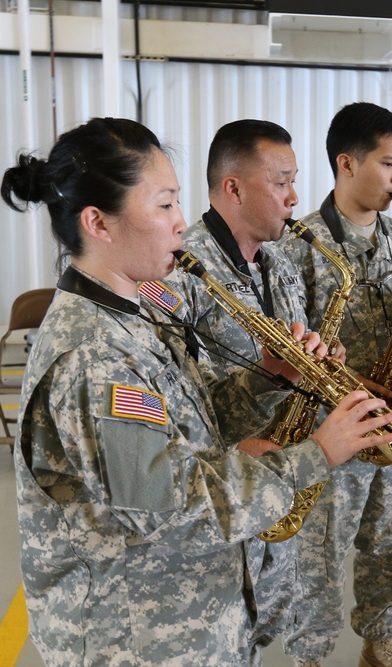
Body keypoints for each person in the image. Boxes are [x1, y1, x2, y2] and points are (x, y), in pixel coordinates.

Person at [0, 117, 392, 666]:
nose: (182, 223)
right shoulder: (90, 357)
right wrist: (317, 454)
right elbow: (174, 506)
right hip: (140, 643)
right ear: (99, 223)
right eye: (164, 205)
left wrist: (269, 375)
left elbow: (192, 423)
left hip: (191, 629)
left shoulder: (136, 312)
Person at [142, 118, 318, 650]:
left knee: (263, 629)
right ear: (234, 188)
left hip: (278, 473)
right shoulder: (177, 270)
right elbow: (174, 406)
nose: (294, 196)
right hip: (219, 495)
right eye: (282, 181)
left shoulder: (279, 261)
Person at [279, 102, 392, 667]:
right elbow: (288, 351)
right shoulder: (297, 247)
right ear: (347, 164)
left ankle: (380, 644)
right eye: (388, 164)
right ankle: (310, 657)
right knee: (317, 559)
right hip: (333, 432)